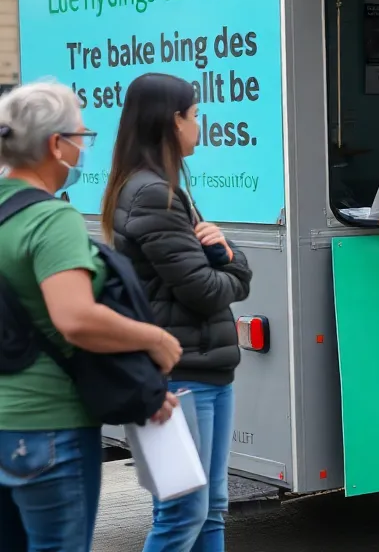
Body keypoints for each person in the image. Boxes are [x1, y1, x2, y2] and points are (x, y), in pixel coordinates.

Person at [0, 80, 180, 552]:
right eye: (82, 136)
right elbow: (76, 318)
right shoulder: (50, 218)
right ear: (55, 145)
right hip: (48, 428)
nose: (84, 148)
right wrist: (154, 339)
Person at [99, 73, 253, 552]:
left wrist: (222, 253)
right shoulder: (153, 195)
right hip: (182, 376)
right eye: (196, 114)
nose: (200, 124)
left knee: (210, 510)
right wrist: (235, 261)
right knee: (183, 512)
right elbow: (206, 291)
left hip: (204, 370)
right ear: (173, 122)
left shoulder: (156, 189)